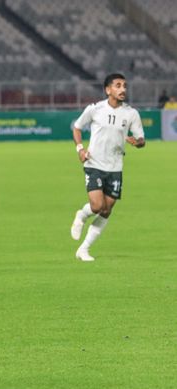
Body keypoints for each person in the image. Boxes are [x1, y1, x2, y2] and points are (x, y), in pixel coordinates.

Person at [70, 73, 145, 261]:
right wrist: (80, 149)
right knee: (96, 206)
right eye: (118, 85)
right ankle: (81, 215)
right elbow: (77, 127)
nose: (123, 89)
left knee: (106, 210)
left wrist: (137, 142)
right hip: (94, 163)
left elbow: (141, 139)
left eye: (125, 86)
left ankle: (84, 249)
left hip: (115, 167)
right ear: (108, 89)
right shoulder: (95, 109)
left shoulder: (131, 113)